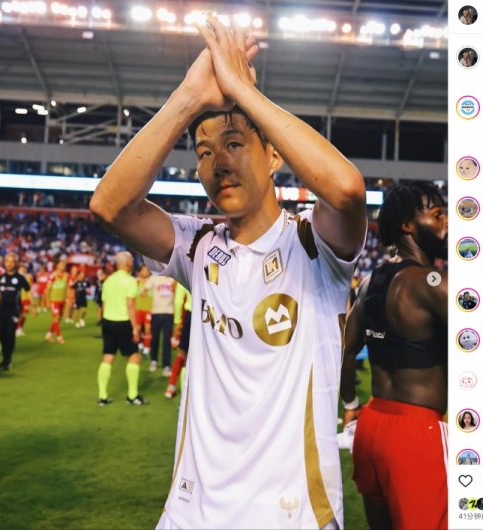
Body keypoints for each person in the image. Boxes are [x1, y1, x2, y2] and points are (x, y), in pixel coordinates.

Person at [89, 13, 366, 529]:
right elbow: (109, 206)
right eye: (204, 152)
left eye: (235, 143)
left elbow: (347, 190)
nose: (217, 162)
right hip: (190, 514)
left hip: (293, 516)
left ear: (273, 155)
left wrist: (241, 90)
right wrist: (189, 98)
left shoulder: (314, 244)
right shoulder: (197, 245)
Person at [341, 181, 448, 530]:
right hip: (417, 432)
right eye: (437, 215)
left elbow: (347, 348)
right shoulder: (434, 285)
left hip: (371, 426)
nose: (447, 221)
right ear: (407, 225)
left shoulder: (371, 281)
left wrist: (350, 404)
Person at [97, 251, 145, 406]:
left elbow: (104, 304)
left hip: (108, 321)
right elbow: (130, 305)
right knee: (134, 357)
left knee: (108, 357)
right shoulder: (130, 281)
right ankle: (132, 396)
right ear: (127, 263)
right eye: (131, 260)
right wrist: (135, 327)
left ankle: (102, 396)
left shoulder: (108, 281)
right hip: (123, 322)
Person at [0, 253, 31, 370]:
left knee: (10, 334)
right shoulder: (0, 278)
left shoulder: (20, 278)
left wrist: (32, 305)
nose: (9, 264)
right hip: (1, 311)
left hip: (14, 311)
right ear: (4, 263)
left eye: (12, 261)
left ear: (16, 263)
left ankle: (8, 360)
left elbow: (28, 290)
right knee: (1, 335)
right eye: (7, 261)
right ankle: (5, 359)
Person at [145, 274, 177, 375]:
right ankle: (153, 360)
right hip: (156, 312)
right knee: (155, 339)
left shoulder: (174, 278)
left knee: (167, 340)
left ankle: (166, 365)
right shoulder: (155, 277)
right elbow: (145, 289)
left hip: (169, 313)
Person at [165, 282, 191, 399]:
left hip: (189, 315)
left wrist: (177, 322)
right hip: (209, 314)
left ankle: (180, 394)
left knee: (184, 354)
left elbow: (178, 300)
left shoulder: (188, 272)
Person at [45, 259, 69, 344]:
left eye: (64, 264)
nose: (63, 266)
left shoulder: (66, 275)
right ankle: (59, 337)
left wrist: (67, 299)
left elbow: (67, 288)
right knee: (57, 318)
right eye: (61, 264)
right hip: (54, 300)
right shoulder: (53, 276)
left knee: (58, 319)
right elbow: (47, 290)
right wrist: (48, 302)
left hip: (62, 300)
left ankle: (48, 334)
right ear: (57, 265)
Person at [135, 265, 153, 354]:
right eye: (143, 270)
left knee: (147, 329)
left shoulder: (153, 281)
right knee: (138, 328)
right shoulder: (137, 281)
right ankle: (140, 343)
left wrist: (146, 293)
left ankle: (147, 347)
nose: (145, 271)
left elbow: (153, 294)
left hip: (149, 309)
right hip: (138, 309)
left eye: (147, 270)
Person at [16, 264, 33, 336]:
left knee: (24, 314)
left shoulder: (29, 276)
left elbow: (30, 287)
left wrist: (31, 298)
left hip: (26, 298)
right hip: (18, 298)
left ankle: (19, 328)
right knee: (17, 315)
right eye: (21, 268)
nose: (23, 270)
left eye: (24, 268)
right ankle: (17, 328)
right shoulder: (16, 277)